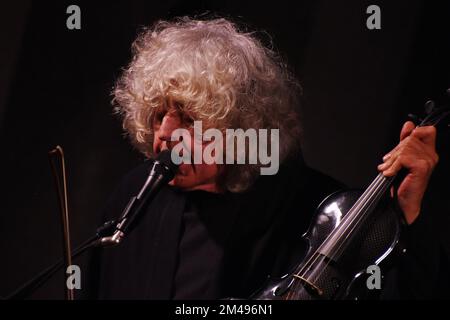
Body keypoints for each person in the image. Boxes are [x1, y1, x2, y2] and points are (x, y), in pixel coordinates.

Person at [89, 17, 447, 299]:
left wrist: (408, 214)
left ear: (240, 127)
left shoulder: (318, 210)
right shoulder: (134, 198)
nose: (165, 133)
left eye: (189, 118)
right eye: (157, 115)